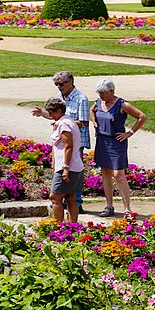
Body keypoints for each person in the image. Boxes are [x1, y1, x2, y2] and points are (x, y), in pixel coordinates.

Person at [32, 71, 90, 212]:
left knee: (72, 171)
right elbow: (56, 116)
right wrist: (43, 114)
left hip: (77, 142)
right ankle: (67, 202)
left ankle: (77, 202)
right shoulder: (59, 98)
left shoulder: (81, 99)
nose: (59, 86)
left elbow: (84, 122)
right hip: (61, 141)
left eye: (61, 83)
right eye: (56, 84)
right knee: (65, 173)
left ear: (70, 82)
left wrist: (65, 123)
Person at [91, 78, 148, 219]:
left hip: (116, 142)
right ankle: (109, 205)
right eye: (99, 93)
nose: (101, 95)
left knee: (118, 174)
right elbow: (92, 111)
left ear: (112, 91)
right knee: (105, 173)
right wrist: (95, 122)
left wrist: (129, 132)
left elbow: (142, 117)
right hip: (102, 141)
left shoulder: (122, 104)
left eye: (103, 93)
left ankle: (127, 208)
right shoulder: (98, 102)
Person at [44, 96, 83, 223]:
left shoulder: (64, 124)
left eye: (52, 113)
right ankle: (72, 226)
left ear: (59, 111)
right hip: (75, 166)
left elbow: (68, 146)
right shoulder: (68, 121)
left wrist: (65, 168)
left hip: (66, 167)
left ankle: (57, 226)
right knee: (70, 197)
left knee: (55, 196)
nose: (50, 115)